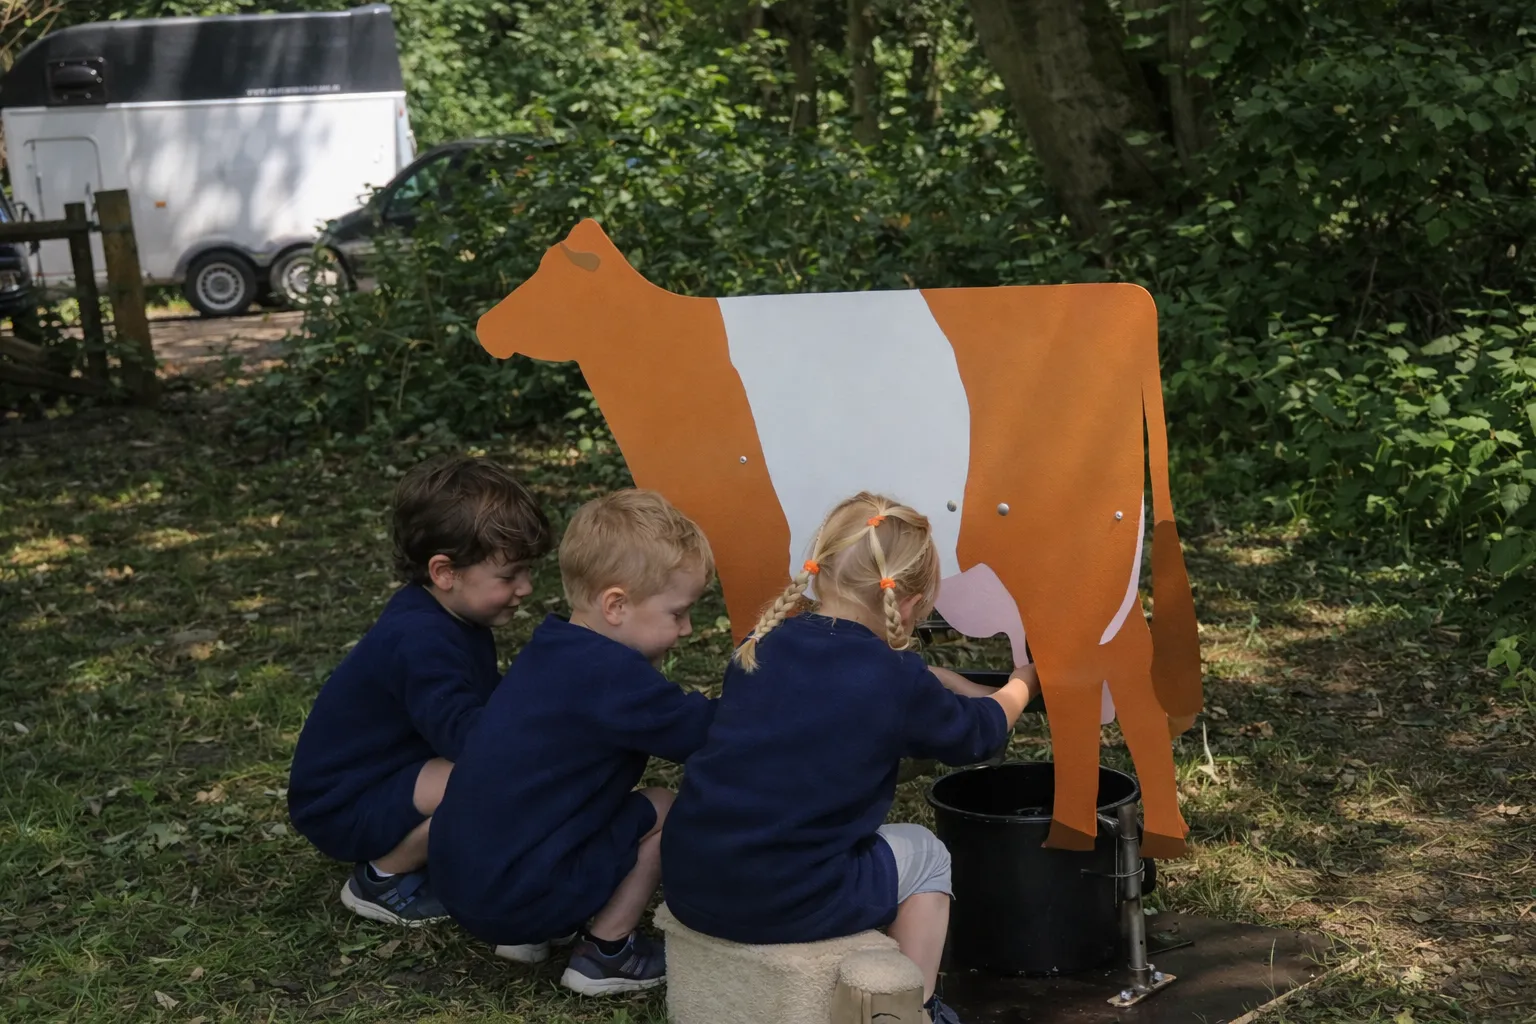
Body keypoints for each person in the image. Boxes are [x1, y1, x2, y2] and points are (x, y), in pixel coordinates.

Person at [661, 492, 1039, 1024]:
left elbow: (862, 683)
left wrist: (948, 682)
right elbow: (977, 736)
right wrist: (1023, 684)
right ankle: (913, 1007)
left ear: (819, 575)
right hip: (787, 899)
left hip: (693, 880)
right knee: (926, 851)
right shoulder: (894, 680)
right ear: (910, 604)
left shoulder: (763, 643)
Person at [429, 489, 717, 994]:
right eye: (677, 612)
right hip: (513, 892)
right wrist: (767, 700)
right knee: (662, 808)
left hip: (462, 879)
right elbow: (705, 734)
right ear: (616, 604)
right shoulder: (614, 680)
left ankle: (531, 934)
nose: (687, 629)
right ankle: (608, 953)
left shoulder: (552, 650)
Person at [287, 454, 551, 925]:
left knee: (504, 772)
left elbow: (482, 706)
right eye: (510, 576)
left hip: (389, 773)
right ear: (445, 572)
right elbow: (466, 739)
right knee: (491, 781)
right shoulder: (420, 640)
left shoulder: (451, 617)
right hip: (342, 802)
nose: (526, 588)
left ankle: (428, 852)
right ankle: (382, 876)